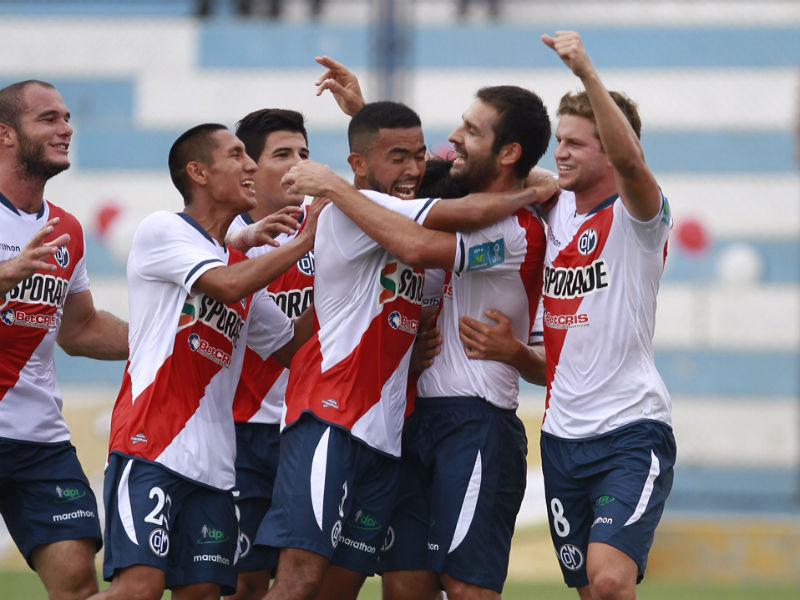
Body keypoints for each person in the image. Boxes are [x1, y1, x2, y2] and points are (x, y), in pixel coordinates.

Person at [256, 100, 557, 600]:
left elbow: (415, 186)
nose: (417, 167)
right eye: (400, 157)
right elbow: (412, 220)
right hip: (333, 417)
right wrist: (336, 181)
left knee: (345, 588)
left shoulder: (506, 231)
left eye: (420, 155)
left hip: (398, 432)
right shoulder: (359, 212)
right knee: (302, 580)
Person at [461, 31, 676, 600]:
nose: (561, 153)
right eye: (560, 140)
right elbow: (547, 368)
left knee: (609, 581)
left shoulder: (638, 217)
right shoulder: (552, 214)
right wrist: (513, 354)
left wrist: (585, 72)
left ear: (609, 147)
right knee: (590, 590)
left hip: (630, 430)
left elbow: (631, 159)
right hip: (560, 440)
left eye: (578, 143)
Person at [91, 123, 323, 600]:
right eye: (237, 155)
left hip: (216, 469)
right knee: (139, 589)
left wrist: (342, 279)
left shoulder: (235, 260)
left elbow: (291, 350)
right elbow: (225, 286)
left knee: (203, 594)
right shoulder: (163, 229)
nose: (251, 165)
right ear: (198, 172)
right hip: (150, 445)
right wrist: (303, 243)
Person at [0, 79, 128, 600]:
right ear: (5, 134)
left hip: (38, 441)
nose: (66, 128)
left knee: (78, 580)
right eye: (48, 118)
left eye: (67, 117)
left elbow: (80, 330)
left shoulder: (65, 230)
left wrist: (164, 335)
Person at [224, 108, 314, 600]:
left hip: (313, 428)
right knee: (242, 582)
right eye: (283, 154)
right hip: (239, 432)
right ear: (250, 169)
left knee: (309, 579)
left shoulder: (333, 232)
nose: (298, 163)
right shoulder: (220, 243)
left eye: (304, 152)